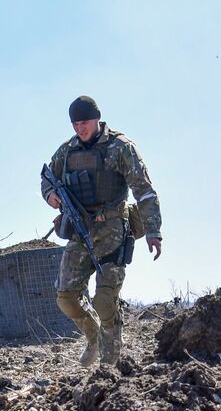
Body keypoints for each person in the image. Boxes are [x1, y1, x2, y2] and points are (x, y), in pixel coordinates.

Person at [42, 97, 163, 367]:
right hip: (80, 230)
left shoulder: (121, 148)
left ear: (97, 119)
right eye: (75, 123)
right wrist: (51, 196)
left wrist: (153, 230)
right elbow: (47, 179)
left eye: (84, 122)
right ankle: (93, 336)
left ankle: (110, 367)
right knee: (67, 298)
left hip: (113, 231)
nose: (80, 128)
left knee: (105, 302)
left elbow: (144, 192)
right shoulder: (66, 152)